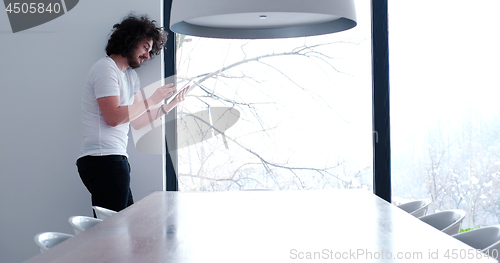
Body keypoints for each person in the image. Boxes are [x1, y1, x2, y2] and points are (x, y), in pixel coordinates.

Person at [76, 14, 187, 216]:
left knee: (122, 228)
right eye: (145, 47)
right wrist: (152, 100)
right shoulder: (105, 68)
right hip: (102, 160)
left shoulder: (130, 76)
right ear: (131, 40)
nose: (147, 55)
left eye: (150, 51)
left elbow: (137, 121)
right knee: (112, 233)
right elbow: (114, 117)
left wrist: (171, 105)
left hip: (116, 159)